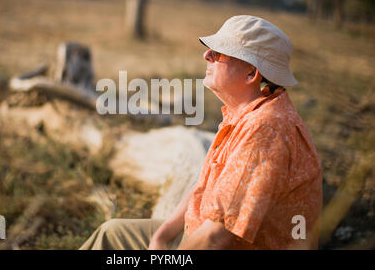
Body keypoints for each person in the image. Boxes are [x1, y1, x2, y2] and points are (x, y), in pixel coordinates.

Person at [79, 15, 323, 250]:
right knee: (111, 232)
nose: (206, 55)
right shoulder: (246, 113)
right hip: (201, 235)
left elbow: (218, 238)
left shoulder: (265, 129)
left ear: (251, 73)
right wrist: (161, 236)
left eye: (219, 53)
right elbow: (203, 188)